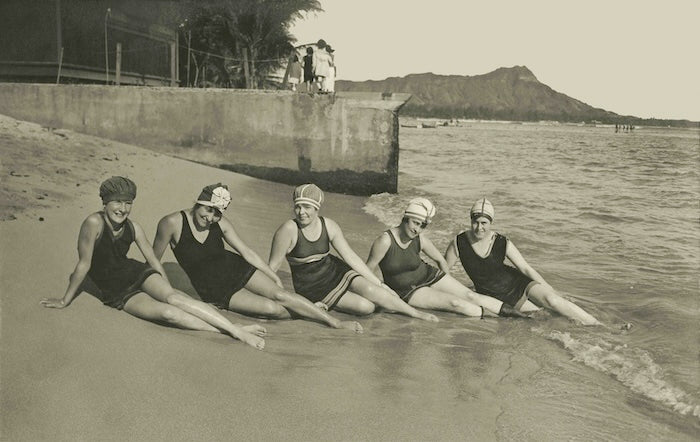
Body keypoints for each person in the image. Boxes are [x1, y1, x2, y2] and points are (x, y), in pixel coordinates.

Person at [40, 176, 266, 350]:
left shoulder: (134, 227)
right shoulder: (93, 223)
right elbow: (83, 265)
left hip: (139, 272)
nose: (123, 208)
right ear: (105, 202)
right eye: (117, 202)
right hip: (116, 291)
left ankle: (237, 332)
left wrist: (167, 287)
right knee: (170, 314)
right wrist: (64, 300)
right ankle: (232, 329)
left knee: (175, 298)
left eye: (128, 203)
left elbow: (152, 261)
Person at [152, 183, 362, 333]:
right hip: (214, 288)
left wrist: (272, 274)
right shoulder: (171, 223)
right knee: (272, 309)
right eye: (208, 210)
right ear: (198, 202)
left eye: (217, 213)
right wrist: (163, 292)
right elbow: (155, 260)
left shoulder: (221, 224)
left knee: (280, 294)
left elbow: (246, 252)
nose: (210, 218)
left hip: (236, 267)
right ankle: (312, 308)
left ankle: (333, 322)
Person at [269, 184, 438, 322]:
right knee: (366, 307)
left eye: (307, 207)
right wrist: (274, 295)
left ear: (317, 208)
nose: (301, 212)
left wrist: (380, 284)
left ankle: (415, 313)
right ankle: (319, 304)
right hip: (312, 286)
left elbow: (350, 257)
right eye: (297, 206)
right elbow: (273, 267)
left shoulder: (329, 225)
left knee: (374, 292)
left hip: (335, 270)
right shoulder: (288, 230)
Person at [444, 198, 600, 325]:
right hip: (497, 296)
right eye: (475, 222)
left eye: (484, 223)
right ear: (471, 220)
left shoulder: (501, 241)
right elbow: (444, 272)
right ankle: (584, 333)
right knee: (544, 317)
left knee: (553, 300)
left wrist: (549, 287)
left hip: (518, 282)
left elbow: (525, 269)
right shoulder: (459, 243)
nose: (479, 228)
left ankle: (598, 326)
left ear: (491, 223)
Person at [366, 198, 529, 318]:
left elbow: (441, 261)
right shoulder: (385, 241)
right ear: (405, 218)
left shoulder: (420, 239)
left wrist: (448, 282)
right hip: (408, 290)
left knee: (470, 296)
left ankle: (521, 316)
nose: (417, 229)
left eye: (422, 225)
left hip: (430, 275)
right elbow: (367, 270)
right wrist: (383, 289)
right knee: (456, 303)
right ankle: (500, 320)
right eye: (415, 223)